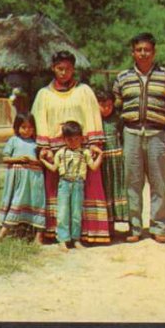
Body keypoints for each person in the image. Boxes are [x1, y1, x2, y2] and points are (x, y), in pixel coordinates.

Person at [112, 32, 165, 244]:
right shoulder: (122, 78)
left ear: (154, 52)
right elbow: (114, 108)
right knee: (132, 183)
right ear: (133, 52)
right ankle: (134, 227)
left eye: (147, 50)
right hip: (131, 134)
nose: (143, 53)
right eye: (139, 50)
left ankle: (159, 226)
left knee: (158, 182)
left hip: (158, 135)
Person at [31, 51, 110, 244]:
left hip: (81, 151)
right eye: (60, 68)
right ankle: (56, 233)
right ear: (53, 68)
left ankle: (87, 233)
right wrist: (45, 147)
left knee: (85, 191)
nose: (64, 72)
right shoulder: (44, 94)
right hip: (56, 152)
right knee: (57, 192)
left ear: (73, 69)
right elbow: (39, 120)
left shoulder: (84, 91)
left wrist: (93, 144)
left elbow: (92, 116)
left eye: (68, 68)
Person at [40, 121, 103, 252]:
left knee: (76, 213)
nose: (73, 142)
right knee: (62, 212)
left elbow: (93, 167)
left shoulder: (85, 153)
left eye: (76, 138)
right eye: (69, 139)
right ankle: (62, 240)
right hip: (64, 184)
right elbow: (53, 168)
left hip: (78, 184)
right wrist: (43, 160)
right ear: (64, 139)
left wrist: (100, 155)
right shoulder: (60, 153)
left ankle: (76, 239)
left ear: (81, 138)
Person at [0, 113, 47, 244]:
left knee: (37, 202)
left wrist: (34, 161)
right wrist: (18, 159)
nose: (27, 130)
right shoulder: (14, 141)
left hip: (34, 178)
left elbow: (43, 162)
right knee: (16, 202)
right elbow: (5, 158)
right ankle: (2, 234)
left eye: (30, 127)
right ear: (17, 127)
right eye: (23, 127)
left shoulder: (38, 143)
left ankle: (38, 237)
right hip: (18, 178)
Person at [95, 89, 129, 228]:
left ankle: (127, 223)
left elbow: (124, 138)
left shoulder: (118, 119)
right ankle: (108, 226)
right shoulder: (93, 120)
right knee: (105, 191)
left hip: (116, 160)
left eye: (110, 105)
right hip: (102, 161)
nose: (106, 109)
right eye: (103, 105)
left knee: (119, 189)